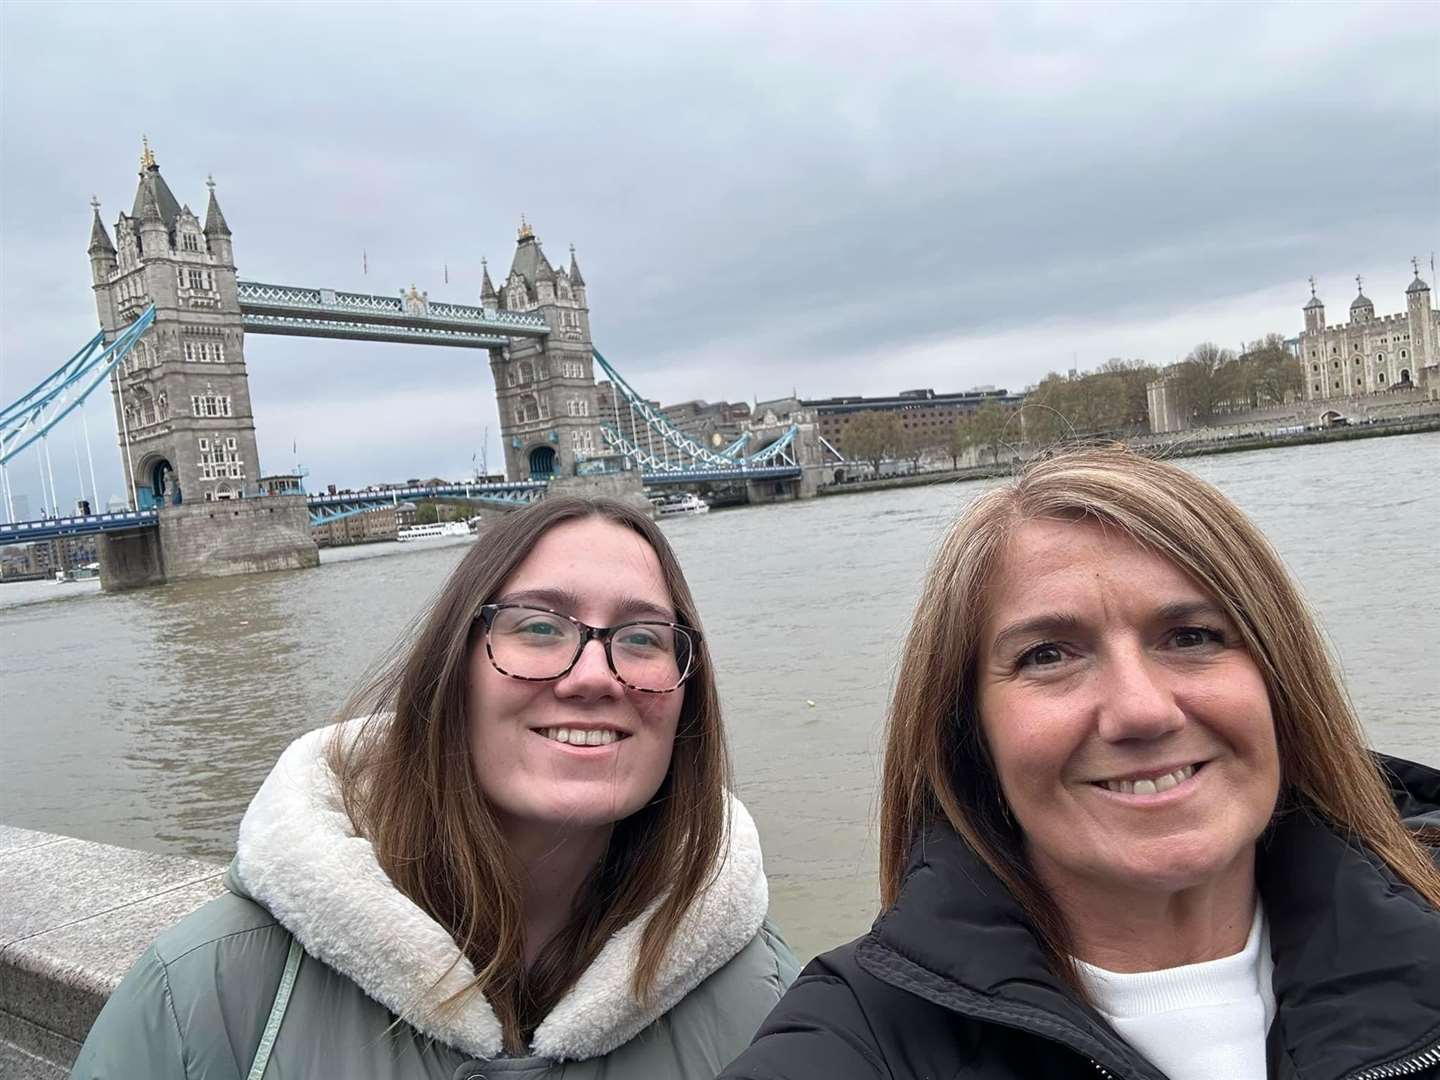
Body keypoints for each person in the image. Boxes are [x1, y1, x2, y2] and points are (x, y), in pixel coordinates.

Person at [721, 446, 1440, 1080]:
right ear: (969, 733)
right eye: (1049, 655)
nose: (1141, 710)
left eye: (1191, 636)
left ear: (1281, 679)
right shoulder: (852, 1041)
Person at [73, 496, 798, 1079]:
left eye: (642, 638)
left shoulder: (775, 1000)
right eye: (539, 626)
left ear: (685, 697)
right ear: (449, 676)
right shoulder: (203, 995)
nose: (593, 676)